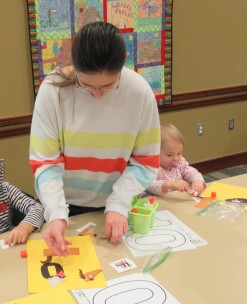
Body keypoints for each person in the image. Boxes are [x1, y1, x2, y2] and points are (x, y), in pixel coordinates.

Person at [29, 21, 161, 256]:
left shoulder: (139, 92)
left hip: (117, 202)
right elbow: (45, 162)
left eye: (108, 86)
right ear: (74, 63)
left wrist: (119, 204)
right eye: (86, 85)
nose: (97, 95)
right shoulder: (52, 91)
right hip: (64, 205)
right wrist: (57, 214)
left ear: (124, 62)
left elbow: (146, 161)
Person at [146, 123, 206, 196]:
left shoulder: (180, 162)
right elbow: (149, 185)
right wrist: (169, 184)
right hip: (157, 202)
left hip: (176, 200)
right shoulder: (153, 167)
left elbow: (191, 172)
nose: (176, 158)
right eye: (169, 155)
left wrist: (197, 180)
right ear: (155, 152)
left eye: (179, 153)